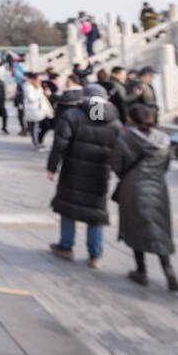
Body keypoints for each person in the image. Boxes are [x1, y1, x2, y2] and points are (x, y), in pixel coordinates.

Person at [47, 83, 122, 266]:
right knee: (95, 214)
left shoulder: (73, 116)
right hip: (100, 173)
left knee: (68, 207)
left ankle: (66, 246)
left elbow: (60, 144)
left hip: (73, 170)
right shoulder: (115, 123)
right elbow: (121, 151)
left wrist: (52, 167)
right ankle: (95, 255)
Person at [110, 104, 178, 291]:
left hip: (132, 186)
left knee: (135, 226)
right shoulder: (164, 139)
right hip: (158, 187)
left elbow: (116, 164)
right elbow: (166, 166)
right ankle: (168, 268)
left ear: (131, 119)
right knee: (158, 227)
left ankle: (141, 270)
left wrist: (127, 176)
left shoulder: (125, 138)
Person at [22, 72, 53, 150]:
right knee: (35, 128)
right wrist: (42, 95)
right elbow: (31, 98)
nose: (40, 81)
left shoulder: (37, 86)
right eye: (39, 79)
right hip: (34, 110)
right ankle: (37, 143)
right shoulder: (28, 86)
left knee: (43, 126)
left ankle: (39, 141)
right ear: (34, 79)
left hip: (40, 110)